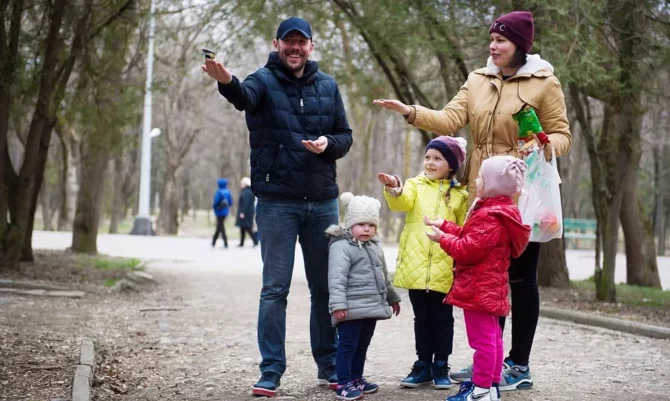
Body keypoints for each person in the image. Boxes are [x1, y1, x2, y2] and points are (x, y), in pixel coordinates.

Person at [374, 10, 571, 391]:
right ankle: (491, 361)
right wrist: (411, 112)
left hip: (521, 194)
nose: (492, 46)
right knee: (488, 277)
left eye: (501, 41)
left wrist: (544, 145)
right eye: (491, 39)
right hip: (481, 192)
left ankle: (519, 364)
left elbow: (562, 135)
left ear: (520, 46)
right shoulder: (477, 80)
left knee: (521, 277)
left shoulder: (545, 84)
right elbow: (450, 119)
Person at [202, 17, 353, 397]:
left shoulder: (327, 85)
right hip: (276, 203)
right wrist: (226, 82)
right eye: (289, 42)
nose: (295, 48)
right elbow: (243, 97)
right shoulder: (262, 80)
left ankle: (329, 364)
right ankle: (271, 369)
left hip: (321, 202)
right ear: (277, 44)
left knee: (324, 288)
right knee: (275, 289)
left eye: (302, 42)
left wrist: (327, 145)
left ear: (311, 47)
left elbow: (345, 135)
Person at [425, 156, 531, 401]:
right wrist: (445, 225)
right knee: (493, 338)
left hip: (478, 288)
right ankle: (491, 387)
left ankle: (481, 389)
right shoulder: (499, 211)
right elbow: (472, 236)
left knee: (483, 342)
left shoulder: (489, 215)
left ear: (493, 184)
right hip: (490, 286)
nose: (476, 179)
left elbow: (467, 249)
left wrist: (442, 239)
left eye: (481, 177)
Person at [378, 136, 469, 390]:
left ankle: (441, 364)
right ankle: (422, 364)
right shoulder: (415, 185)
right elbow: (401, 201)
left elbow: (463, 229)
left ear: (451, 165)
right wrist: (394, 188)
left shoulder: (460, 194)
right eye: (428, 157)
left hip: (444, 265)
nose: (430, 162)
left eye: (437, 158)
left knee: (442, 318)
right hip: (416, 265)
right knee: (421, 318)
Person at [326, 192, 401, 400]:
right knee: (347, 346)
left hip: (371, 307)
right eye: (361, 224)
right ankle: (343, 383)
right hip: (349, 308)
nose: (366, 229)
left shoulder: (374, 246)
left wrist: (392, 297)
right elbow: (336, 278)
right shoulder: (341, 247)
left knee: (362, 345)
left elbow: (383, 276)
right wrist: (338, 305)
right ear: (350, 224)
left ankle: (356, 378)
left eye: (371, 225)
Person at [236, 177, 258, 247]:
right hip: (247, 213)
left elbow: (245, 203)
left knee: (248, 228)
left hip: (246, 213)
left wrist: (242, 212)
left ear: (245, 184)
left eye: (242, 183)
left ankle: (255, 241)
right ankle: (242, 243)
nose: (241, 185)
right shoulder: (248, 191)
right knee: (243, 228)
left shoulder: (246, 192)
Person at [211, 178, 233, 249]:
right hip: (225, 211)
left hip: (219, 211)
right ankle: (213, 241)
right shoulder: (228, 191)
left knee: (221, 226)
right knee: (219, 226)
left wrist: (214, 207)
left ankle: (226, 242)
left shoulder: (219, 192)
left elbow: (216, 202)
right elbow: (230, 203)